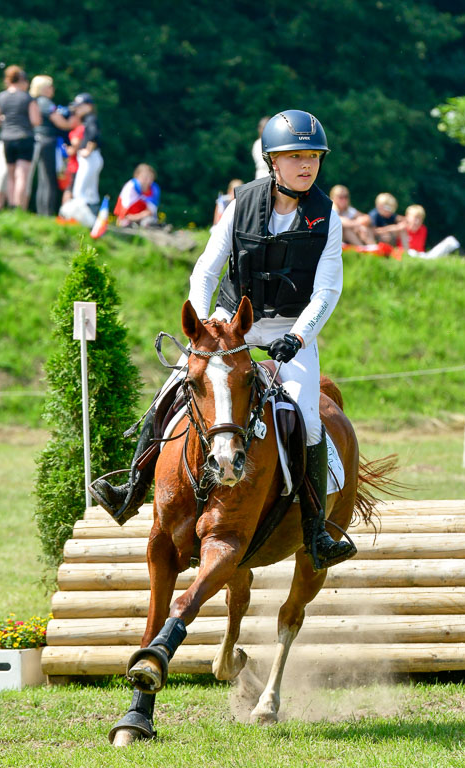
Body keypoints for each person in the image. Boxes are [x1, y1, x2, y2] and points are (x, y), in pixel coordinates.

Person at [90, 109, 356, 571]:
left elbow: (328, 290)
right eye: (296, 157)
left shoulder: (326, 216)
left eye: (313, 156)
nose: (307, 165)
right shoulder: (242, 203)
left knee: (309, 420)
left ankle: (315, 533)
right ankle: (130, 490)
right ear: (273, 161)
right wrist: (204, 324)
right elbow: (206, 269)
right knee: (172, 387)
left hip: (290, 329)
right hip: (230, 323)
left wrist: (298, 337)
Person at [0, 66, 41, 209]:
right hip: (25, 138)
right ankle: (17, 207)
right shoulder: (27, 98)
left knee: (10, 174)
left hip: (6, 138)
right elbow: (36, 120)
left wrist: (4, 119)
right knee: (21, 175)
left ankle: (10, 203)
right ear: (22, 81)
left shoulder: (0, 97)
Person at [29, 75, 72, 215]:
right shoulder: (46, 103)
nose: (53, 89)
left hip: (38, 141)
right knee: (49, 181)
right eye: (50, 86)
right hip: (48, 141)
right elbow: (61, 123)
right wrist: (75, 120)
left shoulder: (35, 102)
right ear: (44, 88)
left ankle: (42, 213)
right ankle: (47, 214)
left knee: (43, 180)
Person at [70, 93, 103, 215]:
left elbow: (94, 135)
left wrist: (88, 150)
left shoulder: (91, 119)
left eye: (80, 106)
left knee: (79, 191)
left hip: (90, 157)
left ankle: (80, 219)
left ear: (89, 106)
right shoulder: (89, 119)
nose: (76, 109)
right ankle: (92, 218)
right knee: (91, 192)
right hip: (92, 157)